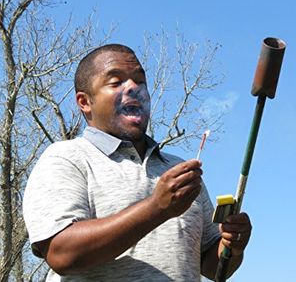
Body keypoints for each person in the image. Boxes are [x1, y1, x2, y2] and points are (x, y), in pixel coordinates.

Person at [23, 44, 252, 281]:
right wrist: (156, 208)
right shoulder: (66, 158)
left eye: (140, 81)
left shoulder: (179, 171)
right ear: (85, 102)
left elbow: (213, 268)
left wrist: (232, 247)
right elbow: (62, 253)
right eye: (115, 82)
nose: (133, 87)